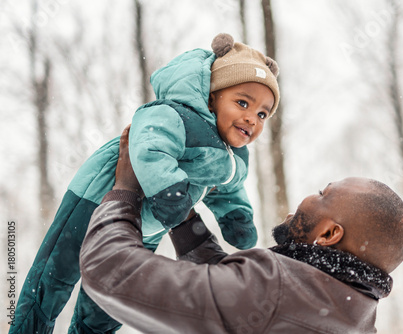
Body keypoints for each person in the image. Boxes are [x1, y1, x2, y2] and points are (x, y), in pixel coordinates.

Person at [11, 33, 280, 334]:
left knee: (109, 302)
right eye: (242, 102)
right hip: (98, 200)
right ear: (212, 96)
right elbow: (150, 141)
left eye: (262, 113)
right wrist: (170, 191)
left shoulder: (234, 157)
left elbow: (227, 187)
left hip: (149, 225)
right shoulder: (179, 116)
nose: (251, 119)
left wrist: (236, 219)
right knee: (53, 280)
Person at [79, 127, 403, 334]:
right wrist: (182, 217)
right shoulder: (355, 316)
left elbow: (108, 270)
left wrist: (124, 191)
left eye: (323, 194)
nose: (308, 197)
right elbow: (232, 300)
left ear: (328, 235)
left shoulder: (275, 292)